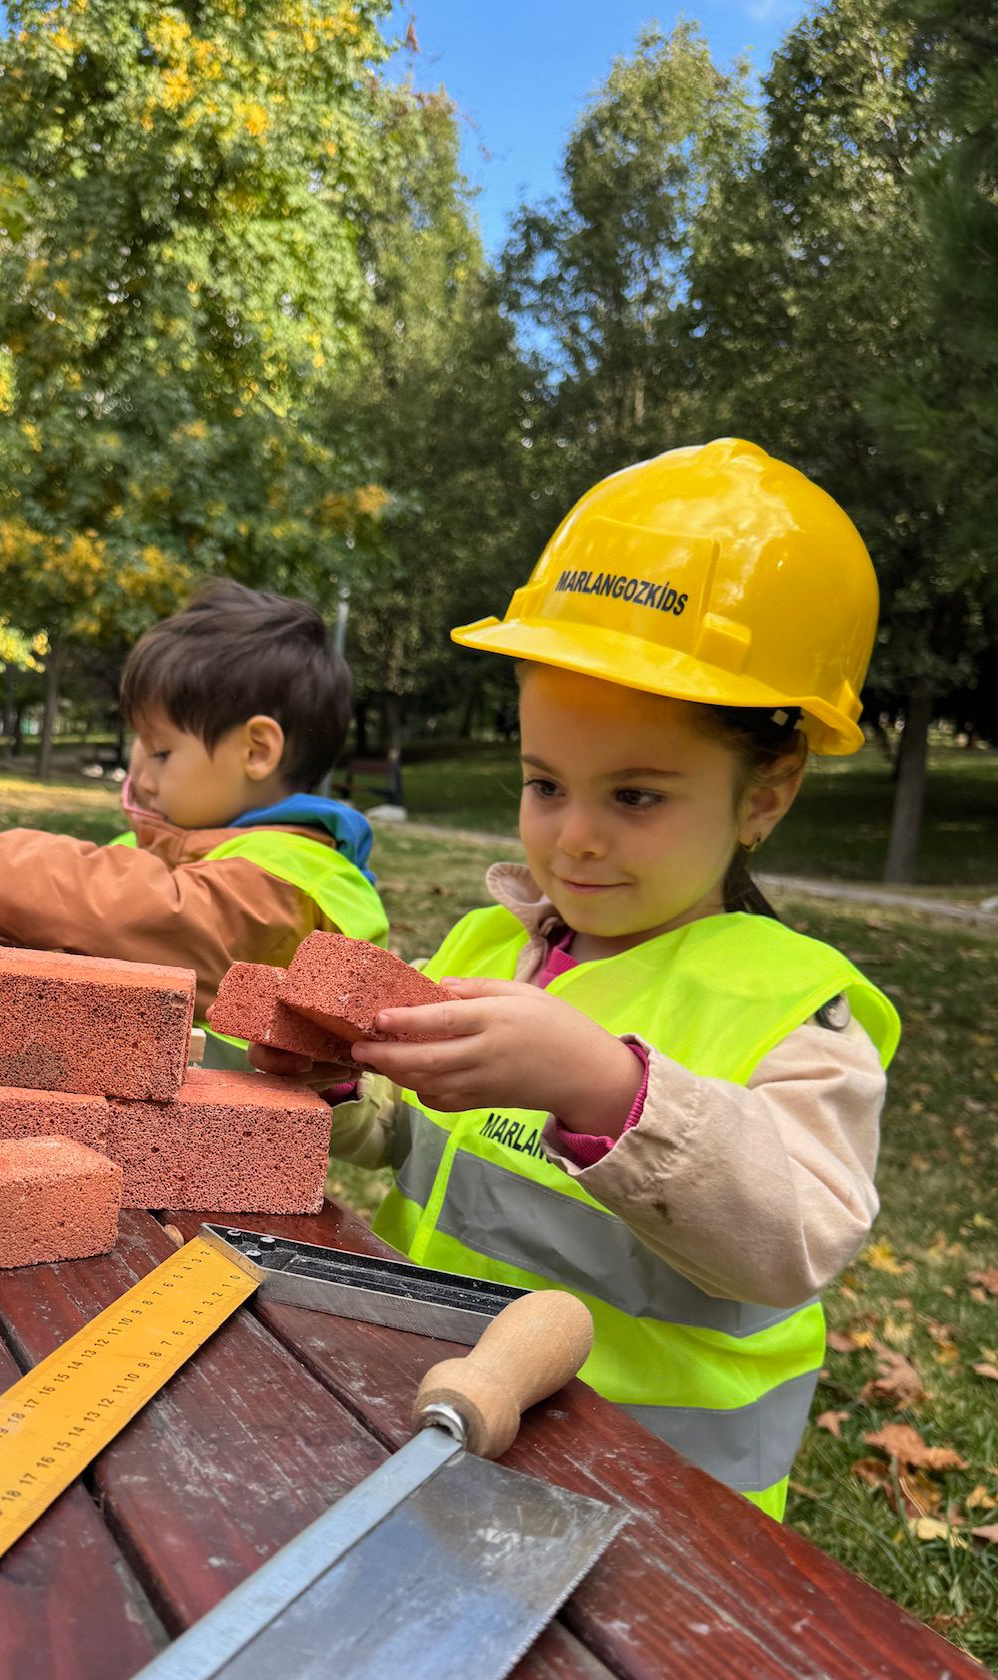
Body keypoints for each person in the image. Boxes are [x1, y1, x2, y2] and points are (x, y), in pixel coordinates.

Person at [258, 439, 898, 1520]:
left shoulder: (790, 1005)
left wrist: (609, 1093)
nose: (577, 837)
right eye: (545, 782)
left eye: (637, 796)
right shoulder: (478, 947)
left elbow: (801, 1234)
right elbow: (412, 1142)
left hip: (663, 1502)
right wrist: (341, 1091)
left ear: (765, 794)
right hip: (445, 1417)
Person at [0, 580, 388, 1030]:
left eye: (162, 752)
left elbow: (106, 905)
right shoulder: (178, 843)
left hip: (237, 1135)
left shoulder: (290, 883)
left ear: (256, 751)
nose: (140, 778)